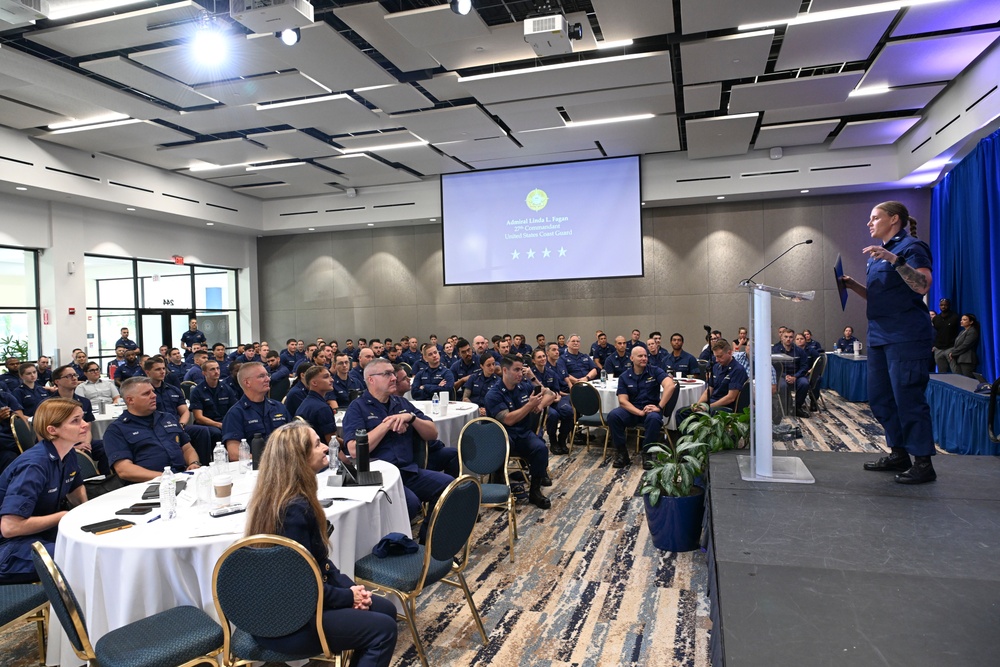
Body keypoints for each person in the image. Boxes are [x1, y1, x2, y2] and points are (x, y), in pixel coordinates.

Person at [243, 422, 397, 666]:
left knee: (385, 610)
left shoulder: (276, 497)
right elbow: (301, 587)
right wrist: (347, 598)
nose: (326, 447)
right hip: (287, 622)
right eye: (317, 445)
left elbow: (320, 565)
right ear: (299, 458)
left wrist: (353, 591)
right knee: (383, 629)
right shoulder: (293, 510)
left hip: (288, 604)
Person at [840, 200, 936, 484]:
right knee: (881, 398)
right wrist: (853, 285)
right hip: (879, 335)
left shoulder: (910, 248)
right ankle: (899, 452)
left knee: (908, 398)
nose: (869, 223)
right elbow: (880, 295)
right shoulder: (875, 256)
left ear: (894, 219)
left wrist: (893, 259)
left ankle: (923, 462)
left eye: (874, 218)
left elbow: (922, 285)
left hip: (905, 336)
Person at [341, 359, 453, 536]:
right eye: (387, 374)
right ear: (371, 379)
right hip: (378, 477)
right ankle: (389, 545)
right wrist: (386, 425)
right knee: (410, 503)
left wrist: (412, 418)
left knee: (448, 487)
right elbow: (355, 449)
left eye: (393, 373)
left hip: (407, 471)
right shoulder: (358, 408)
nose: (394, 378)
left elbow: (432, 434)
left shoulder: (401, 404)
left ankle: (428, 542)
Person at [0, 398, 88, 583]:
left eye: (82, 418)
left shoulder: (67, 452)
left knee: (97, 541)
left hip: (40, 533)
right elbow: (10, 527)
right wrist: (64, 515)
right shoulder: (34, 465)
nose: (85, 425)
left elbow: (75, 491)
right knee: (83, 557)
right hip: (9, 547)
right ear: (52, 430)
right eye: (76, 421)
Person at [485, 355, 553, 509]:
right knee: (503, 444)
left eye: (521, 370)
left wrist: (540, 404)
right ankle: (498, 484)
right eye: (516, 370)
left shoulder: (523, 386)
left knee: (540, 448)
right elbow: (508, 419)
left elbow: (550, 394)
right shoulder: (494, 394)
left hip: (523, 433)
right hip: (503, 434)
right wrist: (529, 406)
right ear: (504, 370)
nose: (520, 374)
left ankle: (535, 492)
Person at [103, 377, 202, 482]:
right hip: (147, 484)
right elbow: (124, 470)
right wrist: (165, 477)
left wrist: (193, 463)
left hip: (181, 477)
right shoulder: (117, 430)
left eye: (153, 392)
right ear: (130, 400)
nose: (154, 396)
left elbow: (186, 448)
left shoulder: (167, 418)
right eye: (146, 394)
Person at [606, 346, 679, 470]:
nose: (644, 358)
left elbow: (670, 386)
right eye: (640, 356)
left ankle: (647, 453)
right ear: (632, 358)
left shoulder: (655, 371)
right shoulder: (624, 376)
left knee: (654, 419)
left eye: (645, 356)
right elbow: (623, 401)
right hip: (633, 410)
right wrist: (639, 412)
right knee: (613, 416)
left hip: (651, 409)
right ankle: (622, 453)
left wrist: (659, 406)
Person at [221, 362, 290, 461]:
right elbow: (234, 453)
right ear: (247, 382)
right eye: (261, 376)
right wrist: (266, 460)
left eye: (268, 375)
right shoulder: (236, 413)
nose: (268, 379)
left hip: (285, 462)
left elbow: (293, 438)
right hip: (255, 468)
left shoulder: (279, 407)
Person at [682, 339, 748, 419]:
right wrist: (698, 405)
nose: (717, 360)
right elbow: (709, 390)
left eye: (720, 356)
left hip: (725, 407)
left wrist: (708, 407)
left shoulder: (737, 370)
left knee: (700, 415)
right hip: (711, 403)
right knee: (682, 412)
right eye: (715, 356)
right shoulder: (716, 366)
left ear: (730, 353)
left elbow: (731, 398)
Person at [189, 359, 237, 445]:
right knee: (216, 433)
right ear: (204, 373)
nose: (216, 372)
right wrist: (218, 425)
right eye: (212, 369)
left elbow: (234, 409)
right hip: (207, 425)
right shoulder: (197, 391)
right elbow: (199, 418)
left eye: (218, 368)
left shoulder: (226, 388)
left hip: (224, 422)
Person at [534, 348, 571, 455]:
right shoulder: (532, 374)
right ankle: (553, 441)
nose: (542, 359)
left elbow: (556, 389)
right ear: (533, 360)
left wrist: (556, 397)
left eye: (543, 356)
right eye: (539, 357)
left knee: (568, 411)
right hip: (541, 403)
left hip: (555, 400)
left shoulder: (551, 372)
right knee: (553, 415)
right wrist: (552, 397)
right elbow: (535, 393)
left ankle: (562, 440)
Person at [294, 366, 339, 446]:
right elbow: (333, 444)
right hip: (321, 452)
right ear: (314, 383)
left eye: (330, 376)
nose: (332, 380)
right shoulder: (322, 408)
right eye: (326, 377)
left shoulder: (306, 403)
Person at [773, 329, 811, 418]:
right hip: (781, 375)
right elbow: (773, 367)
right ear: (782, 337)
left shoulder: (799, 351)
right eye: (786, 337)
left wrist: (795, 376)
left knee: (804, 383)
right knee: (782, 386)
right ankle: (784, 408)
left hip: (797, 375)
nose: (788, 339)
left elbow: (804, 367)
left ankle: (797, 408)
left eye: (790, 337)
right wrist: (784, 376)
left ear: (793, 338)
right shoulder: (775, 350)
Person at [932, 299, 962, 373]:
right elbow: (935, 333)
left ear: (949, 306)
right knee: (941, 373)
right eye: (941, 305)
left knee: (955, 371)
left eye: (945, 305)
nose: (943, 307)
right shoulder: (936, 319)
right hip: (938, 349)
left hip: (951, 348)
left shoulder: (955, 317)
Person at [948, 313, 980, 378]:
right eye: (961, 319)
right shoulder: (962, 332)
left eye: (964, 320)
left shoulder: (972, 331)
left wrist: (953, 353)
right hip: (959, 358)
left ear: (971, 322)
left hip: (967, 359)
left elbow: (966, 345)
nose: (961, 321)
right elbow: (957, 345)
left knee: (967, 379)